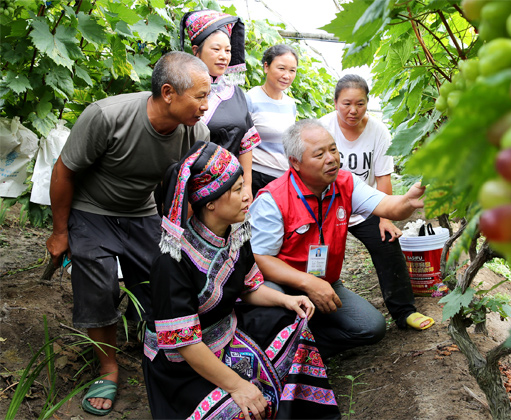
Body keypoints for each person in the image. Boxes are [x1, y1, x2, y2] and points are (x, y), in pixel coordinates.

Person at [45, 51, 211, 416]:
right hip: (92, 209)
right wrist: (60, 232)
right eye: (200, 96)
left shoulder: (195, 132)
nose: (205, 105)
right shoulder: (107, 116)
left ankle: (151, 336)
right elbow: (64, 172)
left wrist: (183, 235)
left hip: (142, 211)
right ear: (168, 93)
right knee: (99, 285)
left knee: (162, 281)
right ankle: (107, 368)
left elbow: (185, 189)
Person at [142, 141, 340, 420]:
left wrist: (287, 299)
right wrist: (237, 386)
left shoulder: (236, 232)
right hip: (182, 364)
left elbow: (250, 288)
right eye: (237, 190)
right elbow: (184, 343)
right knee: (239, 411)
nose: (248, 196)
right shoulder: (172, 260)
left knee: (294, 328)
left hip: (226, 332)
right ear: (210, 202)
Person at [249, 119, 427, 359]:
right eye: (319, 154)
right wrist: (308, 283)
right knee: (272, 314)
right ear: (295, 162)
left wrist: (409, 201)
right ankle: (282, 346)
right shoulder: (273, 200)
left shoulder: (345, 183)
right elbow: (260, 258)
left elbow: (388, 206)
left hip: (326, 283)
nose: (331, 158)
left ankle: (302, 349)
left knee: (371, 328)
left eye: (333, 149)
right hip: (282, 285)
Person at [320, 74, 434, 331]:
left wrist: (385, 218)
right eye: (346, 103)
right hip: (327, 205)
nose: (353, 110)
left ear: (368, 103)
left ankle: (404, 312)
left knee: (388, 244)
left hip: (364, 204)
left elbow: (383, 177)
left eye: (360, 103)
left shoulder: (378, 131)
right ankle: (317, 316)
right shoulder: (322, 127)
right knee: (317, 255)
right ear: (335, 102)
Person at [180, 9, 260, 200]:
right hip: (188, 189)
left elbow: (245, 145)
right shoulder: (182, 90)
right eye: (216, 50)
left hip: (229, 190)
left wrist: (247, 185)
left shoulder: (236, 93)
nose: (224, 56)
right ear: (195, 51)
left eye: (228, 50)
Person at [245, 44, 299, 196]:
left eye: (292, 70)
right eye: (281, 68)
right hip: (256, 176)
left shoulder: (291, 104)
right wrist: (246, 184)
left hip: (282, 179)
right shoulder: (250, 99)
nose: (287, 75)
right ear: (266, 67)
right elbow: (243, 143)